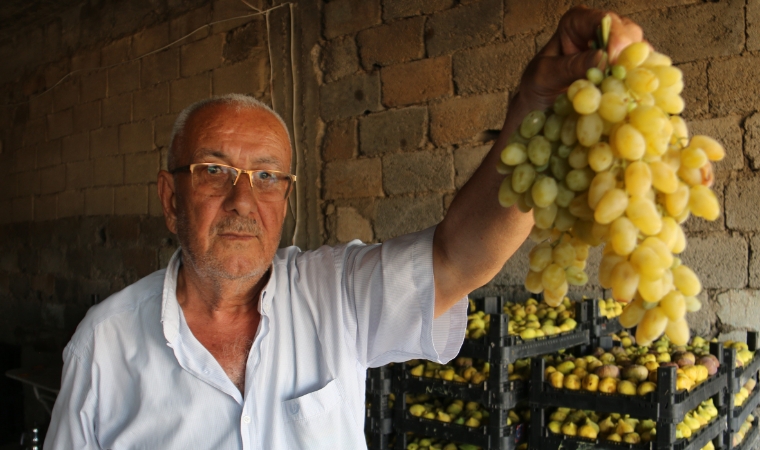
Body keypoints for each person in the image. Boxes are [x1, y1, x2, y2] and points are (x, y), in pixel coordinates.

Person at [45, 6, 644, 449]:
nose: (243, 199)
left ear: (287, 201)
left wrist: (534, 108)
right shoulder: (103, 347)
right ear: (170, 198)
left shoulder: (335, 294)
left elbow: (459, 258)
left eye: (268, 176)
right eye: (213, 171)